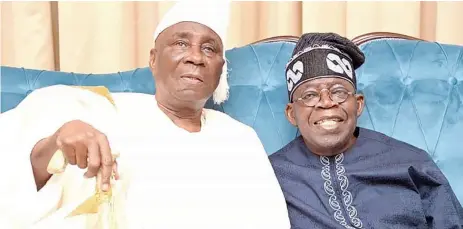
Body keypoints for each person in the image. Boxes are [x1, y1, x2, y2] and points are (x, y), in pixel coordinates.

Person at [0, 2, 290, 229]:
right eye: (180, 43)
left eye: (209, 48)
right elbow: (19, 183)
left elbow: (270, 220)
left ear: (220, 68)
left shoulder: (240, 139)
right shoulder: (103, 111)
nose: (196, 57)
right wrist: (56, 142)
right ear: (153, 59)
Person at [269, 32, 463, 229]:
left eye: (338, 92)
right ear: (291, 113)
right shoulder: (268, 173)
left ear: (359, 104)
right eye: (309, 95)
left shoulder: (411, 162)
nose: (326, 102)